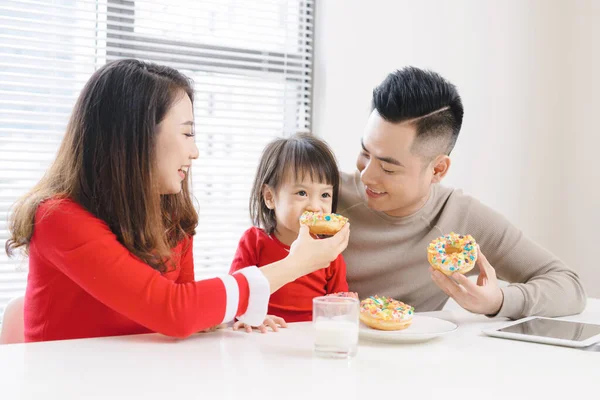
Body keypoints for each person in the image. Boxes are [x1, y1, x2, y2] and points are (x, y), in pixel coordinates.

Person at [5, 59, 349, 342]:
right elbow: (175, 311)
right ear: (135, 138)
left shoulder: (170, 214)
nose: (195, 151)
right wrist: (295, 264)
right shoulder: (57, 218)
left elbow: (188, 309)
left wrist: (231, 316)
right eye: (186, 133)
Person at [338, 66, 586, 319]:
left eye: (388, 168)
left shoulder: (460, 219)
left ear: (437, 169)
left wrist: (498, 301)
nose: (366, 175)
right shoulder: (321, 194)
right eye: (365, 153)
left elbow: (568, 286)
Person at [229, 134, 348, 332]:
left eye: (325, 195)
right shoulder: (254, 241)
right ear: (269, 197)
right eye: (302, 193)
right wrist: (252, 316)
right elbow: (235, 294)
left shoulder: (328, 253)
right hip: (263, 335)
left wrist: (345, 305)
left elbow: (339, 308)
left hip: (308, 340)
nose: (315, 206)